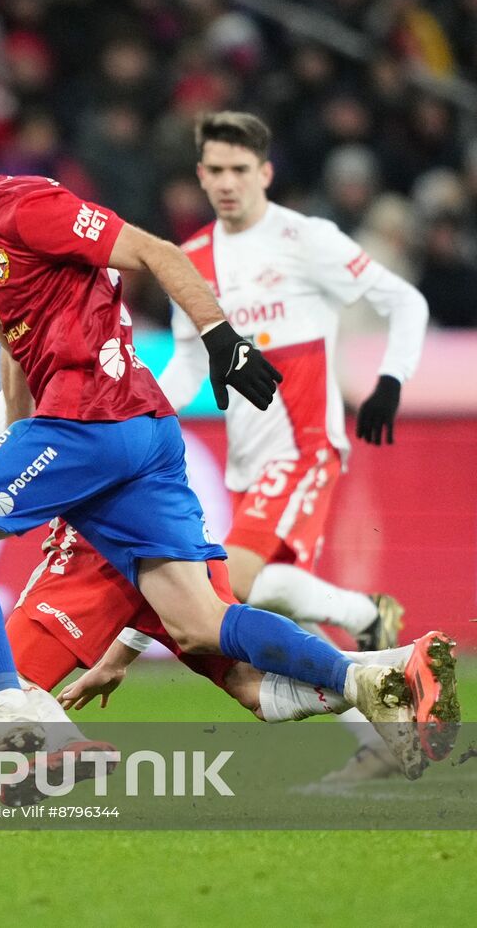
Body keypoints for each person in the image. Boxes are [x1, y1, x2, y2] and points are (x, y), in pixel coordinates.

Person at [0, 97, 432, 776]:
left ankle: (9, 707)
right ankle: (370, 680)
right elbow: (18, 345)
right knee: (198, 619)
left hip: (91, 421)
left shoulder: (30, 206)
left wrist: (223, 340)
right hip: (135, 432)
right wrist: (8, 432)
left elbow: (153, 251)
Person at [0, 394, 458, 790]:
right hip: (168, 517)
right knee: (252, 687)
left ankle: (63, 748)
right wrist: (119, 654)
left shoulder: (36, 374)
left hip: (98, 542)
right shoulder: (104, 355)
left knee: (7, 679)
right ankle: (399, 664)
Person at [156, 111, 435, 778]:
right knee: (256, 603)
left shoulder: (305, 239)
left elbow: (407, 302)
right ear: (200, 175)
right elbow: (191, 366)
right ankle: (375, 711)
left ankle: (366, 630)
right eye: (215, 171)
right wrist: (140, 419)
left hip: (305, 447)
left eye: (239, 170)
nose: (226, 183)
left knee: (227, 589)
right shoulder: (190, 261)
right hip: (248, 463)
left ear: (265, 173)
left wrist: (391, 379)